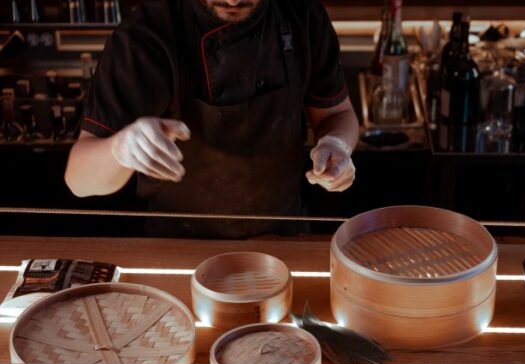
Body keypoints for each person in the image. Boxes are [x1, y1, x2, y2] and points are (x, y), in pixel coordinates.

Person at [65, 0, 359, 238]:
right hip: (179, 247)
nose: (233, 0)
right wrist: (120, 149)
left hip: (283, 238)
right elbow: (78, 179)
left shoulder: (303, 16)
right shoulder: (146, 35)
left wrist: (336, 144)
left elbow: (337, 114)